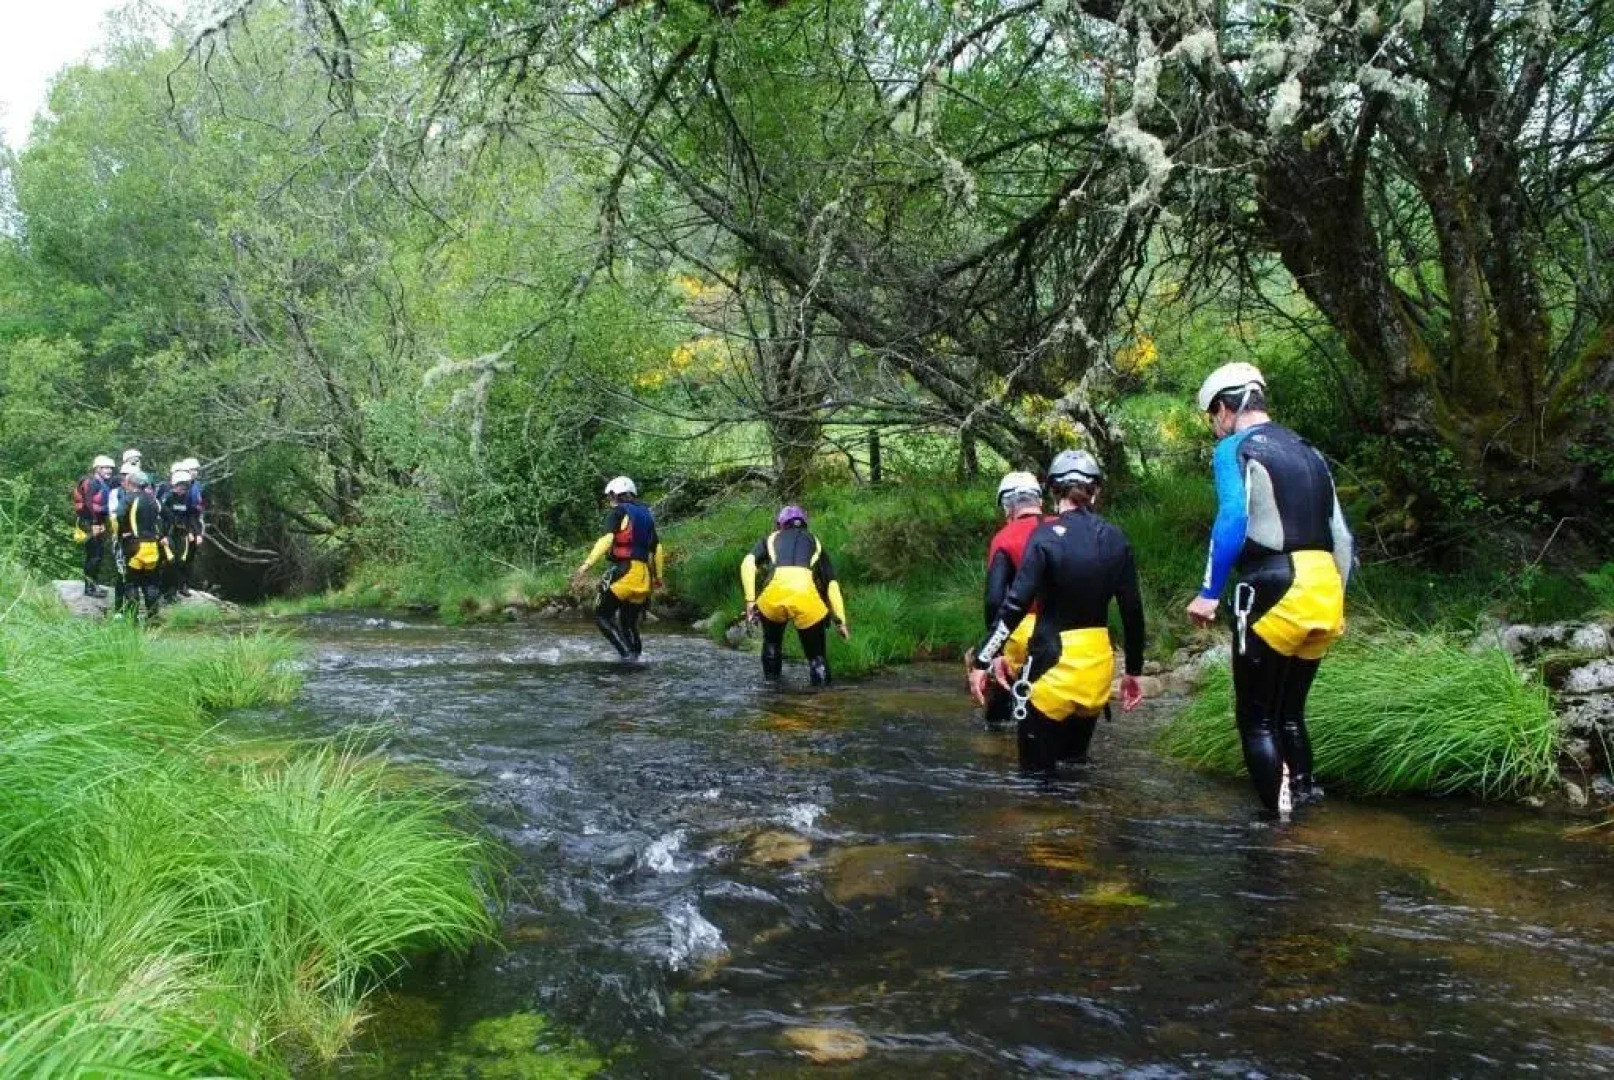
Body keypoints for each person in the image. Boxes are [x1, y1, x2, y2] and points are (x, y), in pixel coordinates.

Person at [1185, 362, 1352, 812]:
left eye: (1212, 417)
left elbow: (1233, 519)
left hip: (1275, 584)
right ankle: (1304, 801)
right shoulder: (1309, 449)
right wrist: (1340, 599)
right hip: (1325, 587)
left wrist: (1210, 592)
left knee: (1256, 719)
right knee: (1290, 714)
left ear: (1224, 408)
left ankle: (1276, 827)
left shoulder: (1235, 448)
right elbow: (1344, 538)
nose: (1215, 427)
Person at [970, 451, 1145, 775]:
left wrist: (983, 660)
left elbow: (1014, 606)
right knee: (1076, 772)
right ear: (1097, 491)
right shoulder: (1117, 539)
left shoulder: (1046, 538)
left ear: (1052, 491)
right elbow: (1132, 610)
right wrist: (1133, 671)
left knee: (1035, 784)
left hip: (1052, 666)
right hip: (1098, 669)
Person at [740, 505, 850, 686]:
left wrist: (750, 601)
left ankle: (772, 691)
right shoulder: (815, 542)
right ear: (804, 524)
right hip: (806, 596)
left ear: (780, 525)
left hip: (773, 596)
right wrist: (840, 621)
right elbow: (832, 585)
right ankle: (823, 702)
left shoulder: (771, 538)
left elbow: (747, 563)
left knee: (772, 643)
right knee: (817, 657)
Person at [977, 471, 1048, 728]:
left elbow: (994, 599)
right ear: (1039, 501)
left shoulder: (1004, 539)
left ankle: (997, 742)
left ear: (1007, 507)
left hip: (1019, 630)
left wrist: (992, 652)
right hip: (1067, 634)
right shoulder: (1062, 529)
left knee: (1000, 712)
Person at [576, 476, 664, 659]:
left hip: (625, 571)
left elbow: (607, 540)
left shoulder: (617, 513)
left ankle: (627, 657)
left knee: (603, 616)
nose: (610, 500)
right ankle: (637, 659)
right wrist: (658, 577)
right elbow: (658, 549)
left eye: (610, 496)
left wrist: (587, 564)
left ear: (617, 495)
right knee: (628, 623)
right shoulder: (647, 515)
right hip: (644, 576)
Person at [109, 468, 169, 622]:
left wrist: (122, 533)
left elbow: (118, 516)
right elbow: (169, 517)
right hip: (152, 547)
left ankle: (132, 619)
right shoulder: (154, 499)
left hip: (134, 547)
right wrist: (162, 535)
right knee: (151, 584)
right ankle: (153, 618)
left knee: (131, 583)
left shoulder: (129, 498)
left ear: (130, 484)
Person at [72, 455, 117, 597]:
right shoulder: (91, 483)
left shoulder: (103, 483)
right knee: (93, 556)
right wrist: (94, 524)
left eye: (110, 468)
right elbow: (88, 504)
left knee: (98, 555)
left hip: (98, 523)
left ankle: (93, 584)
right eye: (106, 468)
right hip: (89, 523)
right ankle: (89, 587)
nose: (109, 471)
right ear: (97, 468)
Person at [160, 466, 203, 600]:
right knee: (169, 560)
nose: (182, 490)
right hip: (168, 533)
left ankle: (178, 588)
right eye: (180, 486)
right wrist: (162, 535)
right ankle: (165, 590)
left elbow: (192, 517)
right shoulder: (167, 498)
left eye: (185, 487)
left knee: (182, 561)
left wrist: (197, 533)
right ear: (174, 485)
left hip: (183, 534)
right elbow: (160, 517)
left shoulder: (188, 499)